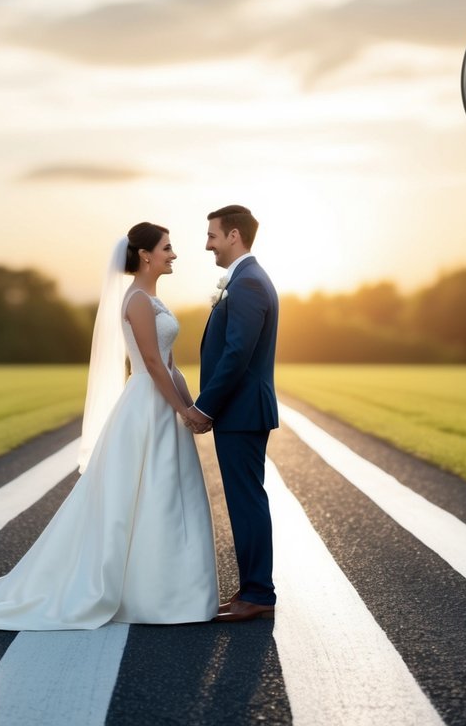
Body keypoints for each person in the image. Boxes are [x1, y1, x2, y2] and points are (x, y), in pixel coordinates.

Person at [0, 223, 219, 629]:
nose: (174, 254)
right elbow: (149, 364)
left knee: (165, 491)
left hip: (163, 404)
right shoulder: (138, 301)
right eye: (167, 247)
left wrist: (190, 404)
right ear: (145, 254)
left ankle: (167, 590)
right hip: (147, 406)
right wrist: (182, 409)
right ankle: (145, 593)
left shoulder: (153, 298)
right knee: (142, 492)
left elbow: (170, 363)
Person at [183, 205, 280, 623]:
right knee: (244, 500)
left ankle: (258, 592)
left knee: (246, 501)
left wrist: (205, 406)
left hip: (242, 411)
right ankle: (251, 587)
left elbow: (238, 352)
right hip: (240, 411)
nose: (208, 244)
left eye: (212, 235)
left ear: (234, 236)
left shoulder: (249, 284)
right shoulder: (243, 280)